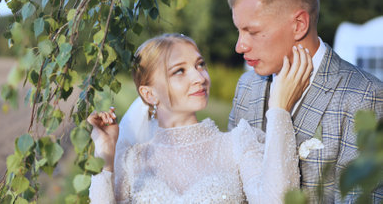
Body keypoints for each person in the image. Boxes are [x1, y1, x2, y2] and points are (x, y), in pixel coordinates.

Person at [87, 33, 313, 203]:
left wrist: (278, 110)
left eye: (200, 65)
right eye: (179, 71)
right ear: (149, 94)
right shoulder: (132, 161)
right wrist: (105, 154)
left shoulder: (238, 145)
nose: (199, 77)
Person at [227, 0, 383, 203]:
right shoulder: (247, 87)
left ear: (299, 24)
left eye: (253, 32)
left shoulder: (366, 96)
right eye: (239, 31)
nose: (240, 46)